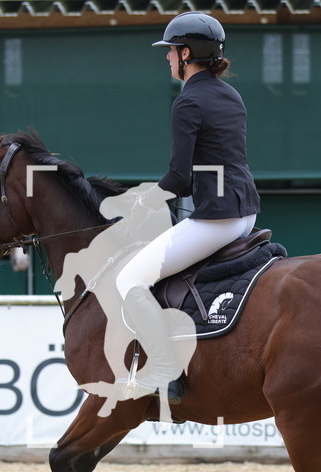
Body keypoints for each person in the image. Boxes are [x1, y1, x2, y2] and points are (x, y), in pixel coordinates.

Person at [114, 11, 261, 405]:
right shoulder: (230, 95)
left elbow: (179, 175)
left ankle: (166, 368)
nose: (165, 59)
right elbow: (213, 165)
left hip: (217, 219)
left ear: (185, 53)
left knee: (128, 280)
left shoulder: (188, 101)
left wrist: (144, 200)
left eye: (169, 52)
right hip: (245, 212)